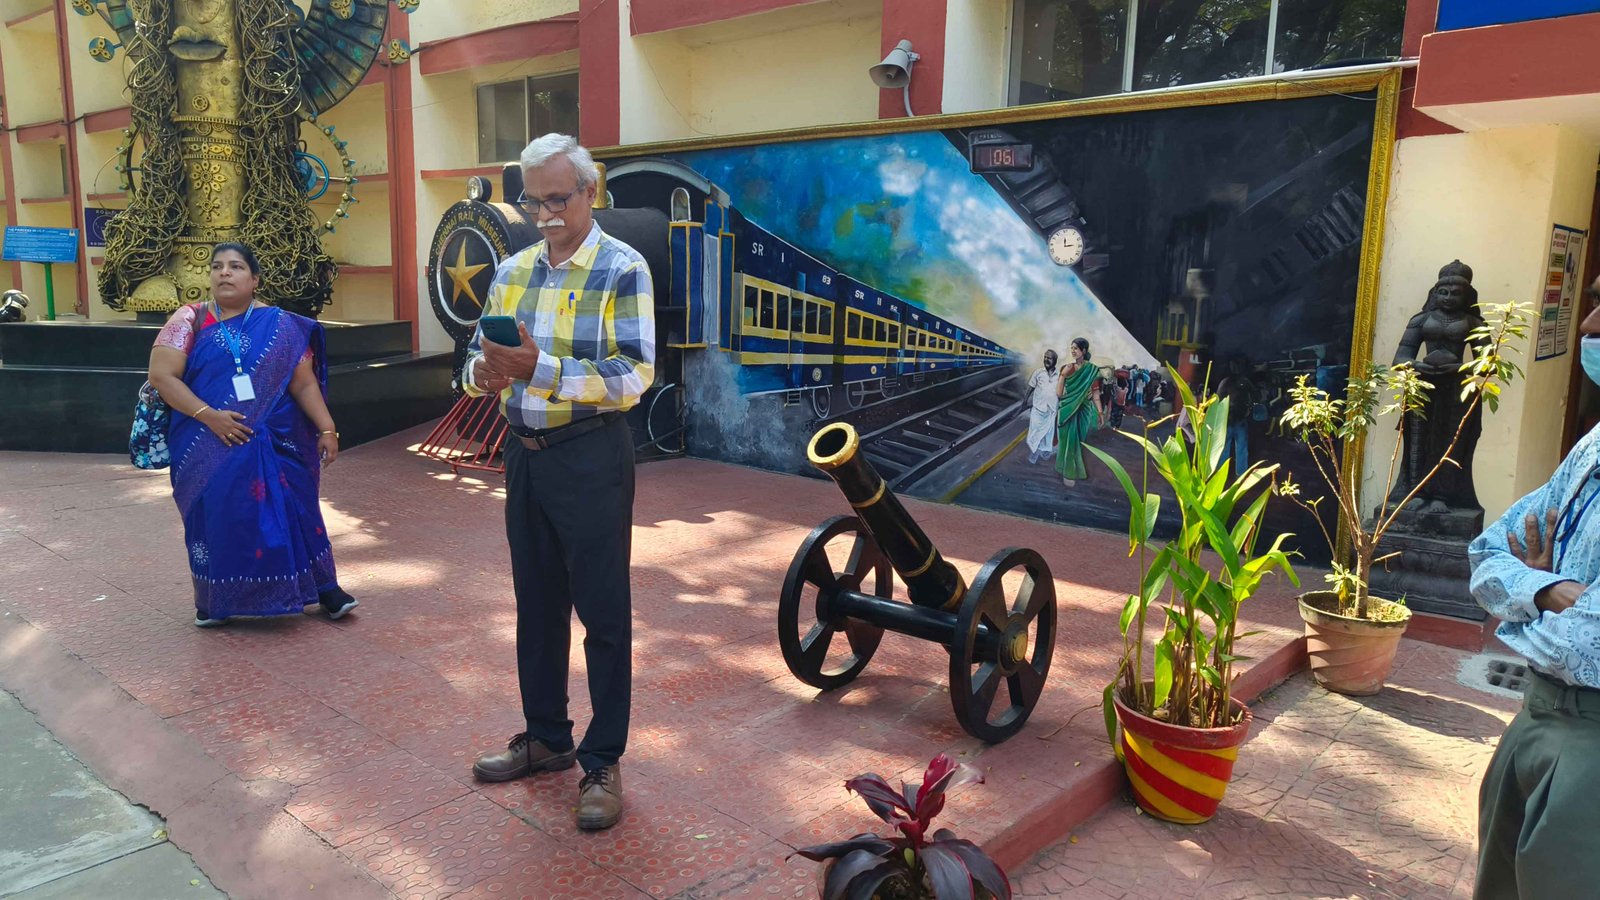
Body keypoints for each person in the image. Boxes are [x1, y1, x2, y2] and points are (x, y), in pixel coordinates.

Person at [465, 134, 655, 833]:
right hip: (524, 455)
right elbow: (474, 360)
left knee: (602, 613)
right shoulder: (512, 270)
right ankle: (546, 736)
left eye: (557, 198)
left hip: (591, 455)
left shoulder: (622, 267)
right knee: (537, 606)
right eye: (533, 200)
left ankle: (602, 761)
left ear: (589, 192)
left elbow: (634, 375)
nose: (545, 213)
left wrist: (537, 369)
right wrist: (483, 373)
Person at [1469, 274, 1600, 898]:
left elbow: (1584, 644)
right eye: (1594, 303)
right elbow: (1488, 554)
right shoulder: (1592, 447)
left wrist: (1524, 603)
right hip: (1535, 719)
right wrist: (1548, 590)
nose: (1588, 326)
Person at [146, 243, 356, 628]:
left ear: (255, 279)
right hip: (207, 440)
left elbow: (303, 384)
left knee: (297, 509)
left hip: (278, 438)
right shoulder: (190, 319)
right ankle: (214, 600)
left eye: (236, 266)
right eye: (217, 267)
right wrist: (211, 417)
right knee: (218, 516)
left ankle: (325, 589)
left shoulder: (280, 326)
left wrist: (327, 428)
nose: (224, 273)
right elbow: (162, 376)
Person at [1055, 337, 1099, 487]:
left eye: (1076, 348)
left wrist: (1100, 412)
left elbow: (1095, 393)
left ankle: (1072, 470)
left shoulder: (1092, 370)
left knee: (1078, 443)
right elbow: (1059, 393)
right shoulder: (1066, 368)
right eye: (1071, 348)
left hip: (1084, 410)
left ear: (1083, 350)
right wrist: (1063, 375)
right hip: (1067, 409)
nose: (1072, 351)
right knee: (1068, 441)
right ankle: (1068, 473)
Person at [1024, 349, 1058, 464]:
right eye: (1045, 357)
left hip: (1051, 411)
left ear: (1055, 360)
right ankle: (1040, 452)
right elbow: (1030, 387)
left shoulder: (1060, 376)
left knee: (1047, 435)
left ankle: (1036, 454)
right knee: (1034, 434)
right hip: (1038, 410)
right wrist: (1025, 401)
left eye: (1049, 358)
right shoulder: (1038, 373)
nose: (1046, 360)